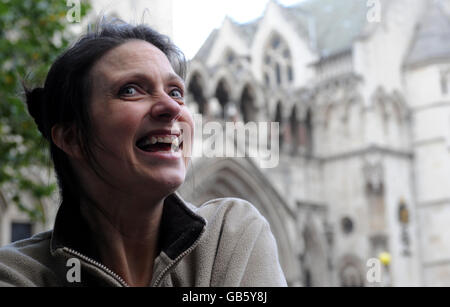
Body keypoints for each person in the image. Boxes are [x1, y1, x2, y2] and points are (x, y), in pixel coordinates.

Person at [0, 19, 287, 287]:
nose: (173, 107)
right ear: (71, 137)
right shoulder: (16, 273)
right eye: (130, 90)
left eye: (176, 92)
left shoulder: (231, 233)